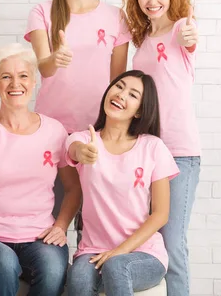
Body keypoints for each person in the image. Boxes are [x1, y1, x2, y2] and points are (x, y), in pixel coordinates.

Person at [0, 43, 81, 296]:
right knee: (4, 261)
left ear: (34, 82)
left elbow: (74, 187)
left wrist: (61, 226)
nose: (15, 84)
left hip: (38, 236)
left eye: (23, 76)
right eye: (6, 77)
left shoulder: (54, 131)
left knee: (53, 269)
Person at [25, 0, 130, 221]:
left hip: (97, 131)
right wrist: (54, 60)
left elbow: (117, 82)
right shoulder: (42, 12)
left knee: (94, 223)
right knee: (51, 218)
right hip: (51, 131)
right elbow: (43, 68)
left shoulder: (116, 17)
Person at [123, 0, 201, 296]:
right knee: (148, 235)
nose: (151, 0)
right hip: (146, 153)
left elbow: (191, 39)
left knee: (173, 242)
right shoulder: (143, 38)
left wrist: (190, 34)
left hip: (180, 153)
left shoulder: (180, 28)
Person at [66, 70, 179, 296]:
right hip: (93, 251)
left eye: (133, 94)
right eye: (119, 86)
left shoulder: (153, 148)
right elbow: (74, 150)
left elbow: (161, 214)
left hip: (144, 253)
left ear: (139, 111)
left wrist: (119, 251)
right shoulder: (84, 140)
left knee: (116, 267)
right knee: (77, 280)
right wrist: (84, 153)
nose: (121, 95)